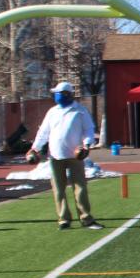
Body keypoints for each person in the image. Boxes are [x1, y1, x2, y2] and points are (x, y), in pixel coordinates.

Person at [25, 80, 103, 231]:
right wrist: (34, 148)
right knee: (59, 190)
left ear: (67, 94)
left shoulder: (80, 111)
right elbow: (43, 133)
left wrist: (86, 145)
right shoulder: (52, 112)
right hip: (55, 156)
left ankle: (86, 218)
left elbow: (89, 130)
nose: (56, 95)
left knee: (80, 188)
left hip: (75, 156)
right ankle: (63, 219)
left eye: (58, 93)